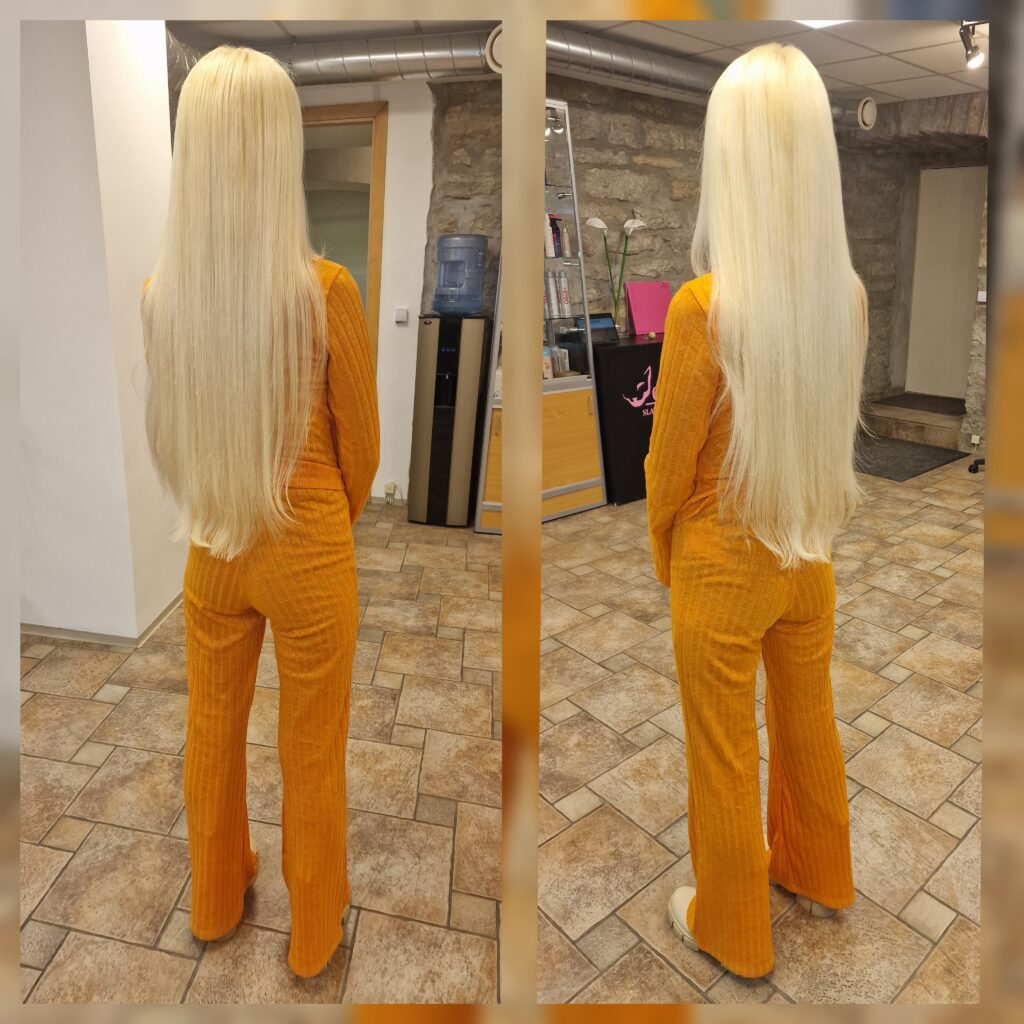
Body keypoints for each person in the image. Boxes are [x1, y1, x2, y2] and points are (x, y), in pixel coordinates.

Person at [141, 45, 379, 978]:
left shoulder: (163, 299)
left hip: (213, 543)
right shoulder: (326, 292)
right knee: (312, 747)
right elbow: (362, 453)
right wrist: (324, 524)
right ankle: (313, 933)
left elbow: (176, 432)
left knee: (211, 729)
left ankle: (213, 900)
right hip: (308, 545)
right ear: (280, 151)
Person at [645, 42, 867, 979]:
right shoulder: (846, 299)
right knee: (809, 720)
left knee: (725, 750)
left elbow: (668, 468)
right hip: (807, 557)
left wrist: (666, 551)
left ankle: (732, 929)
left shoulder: (704, 309)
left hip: (722, 567)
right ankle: (821, 874)